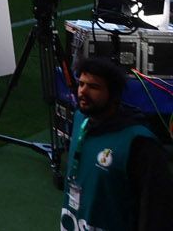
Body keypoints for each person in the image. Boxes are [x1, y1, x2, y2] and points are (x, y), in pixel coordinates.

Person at [61, 57, 173, 231]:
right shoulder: (80, 118)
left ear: (113, 94)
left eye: (93, 87)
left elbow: (156, 211)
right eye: (81, 84)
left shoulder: (139, 142)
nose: (82, 92)